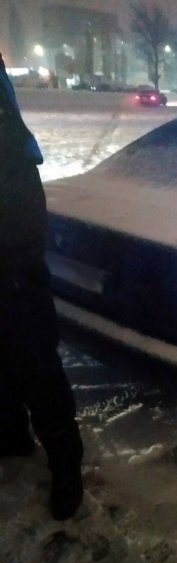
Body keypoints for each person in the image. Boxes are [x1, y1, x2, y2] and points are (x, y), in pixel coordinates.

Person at [0, 52, 83, 520]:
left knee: (38, 370)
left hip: (16, 272)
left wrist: (18, 266)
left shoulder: (10, 146)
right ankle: (12, 434)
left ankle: (67, 470)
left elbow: (26, 212)